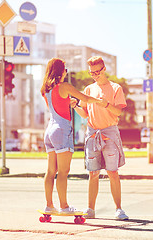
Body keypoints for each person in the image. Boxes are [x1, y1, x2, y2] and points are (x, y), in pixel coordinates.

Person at [40, 58, 101, 214]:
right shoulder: (65, 86)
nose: (66, 71)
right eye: (65, 69)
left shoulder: (45, 89)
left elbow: (57, 104)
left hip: (50, 130)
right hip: (61, 130)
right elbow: (85, 98)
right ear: (61, 71)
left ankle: (49, 206)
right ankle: (64, 207)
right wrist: (101, 101)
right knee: (63, 172)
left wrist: (69, 102)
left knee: (50, 171)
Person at [72, 56, 129, 220]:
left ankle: (119, 209)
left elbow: (118, 112)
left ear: (104, 69)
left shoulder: (115, 88)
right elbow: (85, 114)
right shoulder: (88, 89)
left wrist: (106, 104)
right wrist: (75, 106)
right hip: (92, 133)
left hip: (109, 133)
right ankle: (90, 209)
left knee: (113, 172)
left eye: (97, 72)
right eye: (92, 73)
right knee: (93, 173)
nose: (95, 75)